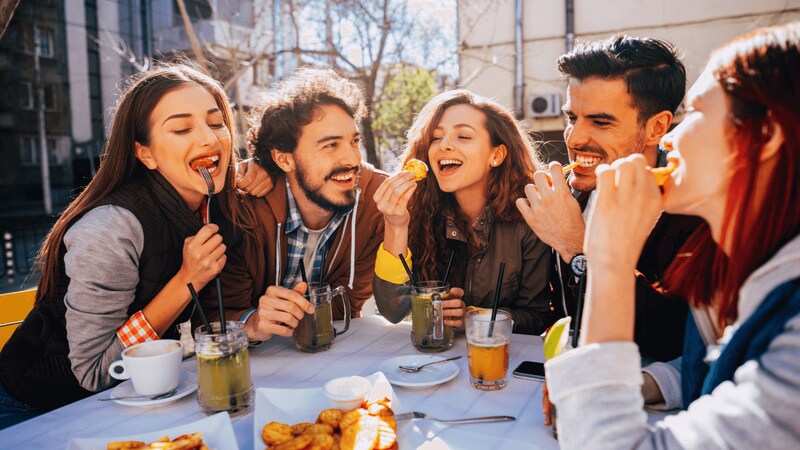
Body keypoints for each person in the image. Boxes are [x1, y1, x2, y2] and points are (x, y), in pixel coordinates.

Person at [546, 22, 800, 448]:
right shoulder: (745, 261)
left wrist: (601, 258)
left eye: (697, 112)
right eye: (571, 117)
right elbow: (713, 364)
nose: (674, 138)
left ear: (765, 135)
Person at [0, 64, 254, 428]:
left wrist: (250, 324)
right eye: (182, 128)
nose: (209, 140)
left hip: (137, 399)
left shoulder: (210, 207)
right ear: (145, 154)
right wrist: (187, 280)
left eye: (216, 124)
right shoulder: (110, 229)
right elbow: (92, 371)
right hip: (40, 408)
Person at [516, 35, 704, 405]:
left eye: (601, 122)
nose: (575, 136)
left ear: (657, 127)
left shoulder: (694, 214)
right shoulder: (572, 196)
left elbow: (671, 340)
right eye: (572, 117)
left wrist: (577, 247)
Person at [224, 67, 388, 343]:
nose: (352, 159)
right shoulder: (242, 207)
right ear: (284, 159)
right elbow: (219, 312)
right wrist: (252, 323)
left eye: (354, 141)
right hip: (258, 365)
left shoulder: (374, 202)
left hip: (333, 358)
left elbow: (349, 303)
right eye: (330, 145)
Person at [372, 90, 552, 335]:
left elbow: (537, 318)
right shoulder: (418, 213)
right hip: (435, 363)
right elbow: (393, 311)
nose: (444, 145)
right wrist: (395, 225)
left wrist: (474, 316)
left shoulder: (529, 218)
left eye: (463, 136)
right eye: (435, 138)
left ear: (496, 155)